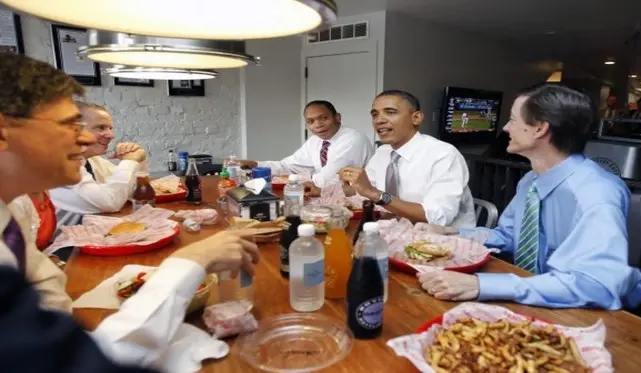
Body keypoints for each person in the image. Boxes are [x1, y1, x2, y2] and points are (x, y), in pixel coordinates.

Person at [0, 52, 260, 372]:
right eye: (69, 124)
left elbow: (62, 334)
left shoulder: (12, 212)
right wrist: (189, 263)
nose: (84, 138)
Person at [417, 84, 641, 310]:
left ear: (540, 128)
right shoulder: (531, 181)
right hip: (538, 297)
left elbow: (597, 286)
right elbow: (508, 236)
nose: (506, 128)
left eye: (512, 119)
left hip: (600, 314)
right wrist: (454, 234)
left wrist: (482, 285)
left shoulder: (596, 194)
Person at [339, 90, 476, 228]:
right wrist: (350, 188)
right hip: (394, 229)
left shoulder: (443, 155)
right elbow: (367, 191)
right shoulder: (383, 152)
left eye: (391, 112)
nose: (379, 120)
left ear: (416, 118)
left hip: (442, 239)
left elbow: (435, 217)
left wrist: (374, 194)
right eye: (375, 115)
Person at [49, 101, 148, 229]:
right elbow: (110, 202)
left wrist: (140, 160)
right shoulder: (58, 165)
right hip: (60, 246)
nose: (111, 135)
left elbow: (134, 192)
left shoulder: (93, 160)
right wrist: (129, 161)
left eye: (110, 128)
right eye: (100, 128)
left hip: (89, 238)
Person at [237, 100, 374, 190]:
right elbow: (289, 166)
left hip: (359, 200)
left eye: (323, 118)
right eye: (311, 121)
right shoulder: (315, 141)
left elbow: (328, 179)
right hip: (330, 196)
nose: (318, 125)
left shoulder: (352, 139)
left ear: (337, 117)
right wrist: (255, 165)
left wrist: (295, 181)